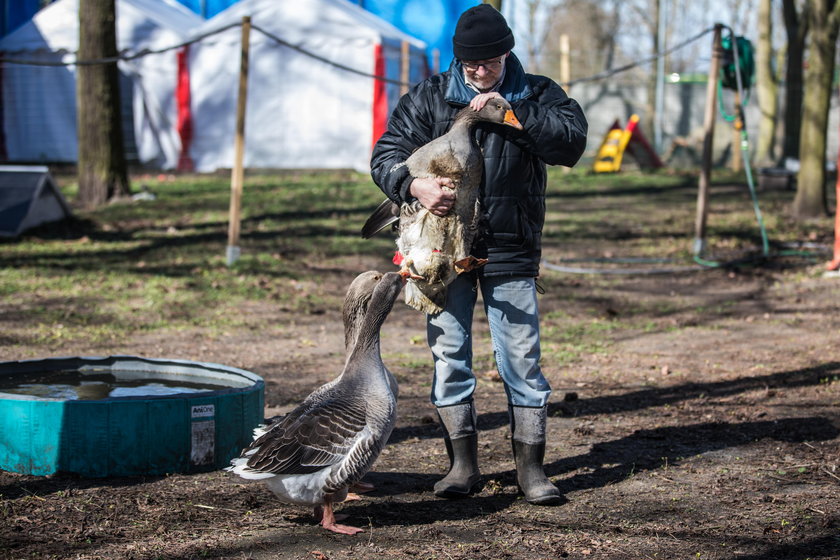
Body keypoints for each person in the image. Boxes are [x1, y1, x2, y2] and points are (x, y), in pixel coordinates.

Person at [369, 4, 588, 505]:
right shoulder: (428, 99)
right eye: (471, 65)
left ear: (507, 52)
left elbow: (571, 143)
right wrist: (414, 186)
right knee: (449, 355)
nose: (480, 72)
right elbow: (385, 156)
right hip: (442, 250)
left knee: (522, 359)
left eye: (489, 62)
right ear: (459, 60)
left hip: (510, 246)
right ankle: (461, 466)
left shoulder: (538, 93)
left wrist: (514, 113)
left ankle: (531, 470)